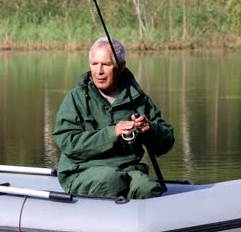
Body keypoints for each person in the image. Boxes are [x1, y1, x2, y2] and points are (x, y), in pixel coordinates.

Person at [52, 37, 175, 199]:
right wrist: (112, 132)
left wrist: (149, 129)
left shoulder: (137, 98)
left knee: (149, 189)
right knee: (112, 180)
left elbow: (166, 141)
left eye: (106, 64)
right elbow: (67, 142)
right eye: (94, 64)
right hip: (82, 171)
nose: (99, 71)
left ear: (121, 66)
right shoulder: (76, 98)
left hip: (128, 170)